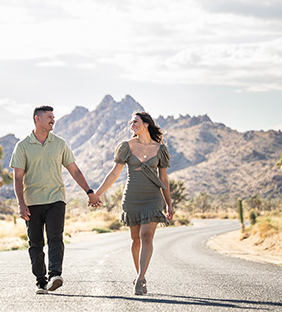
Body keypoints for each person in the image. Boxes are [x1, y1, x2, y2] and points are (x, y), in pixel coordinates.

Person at [11, 105, 101, 294]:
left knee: (55, 238)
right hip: (32, 202)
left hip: (56, 199)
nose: (53, 120)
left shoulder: (59, 144)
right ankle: (41, 281)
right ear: (37, 119)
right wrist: (21, 203)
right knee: (35, 243)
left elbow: (74, 170)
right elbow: (18, 177)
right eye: (49, 117)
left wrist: (89, 191)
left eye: (54, 116)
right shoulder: (23, 146)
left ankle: (54, 275)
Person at [94, 111, 173, 296]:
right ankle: (141, 275)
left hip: (153, 197)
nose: (132, 124)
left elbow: (164, 179)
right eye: (131, 122)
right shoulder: (126, 147)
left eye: (135, 121)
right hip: (132, 197)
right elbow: (114, 174)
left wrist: (169, 203)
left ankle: (140, 278)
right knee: (135, 239)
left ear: (146, 124)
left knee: (147, 236)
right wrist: (97, 194)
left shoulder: (160, 149)